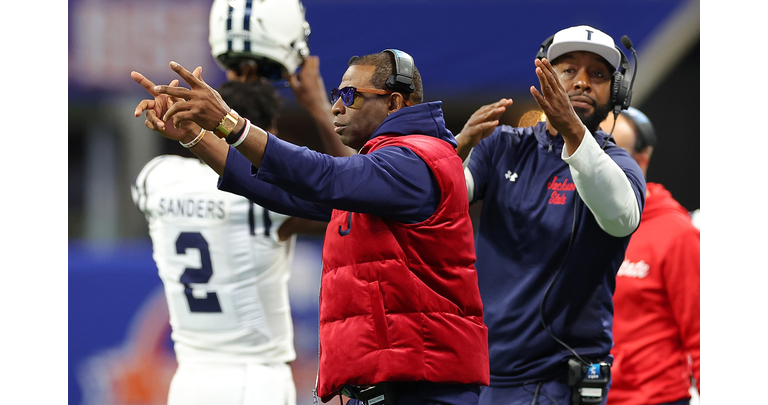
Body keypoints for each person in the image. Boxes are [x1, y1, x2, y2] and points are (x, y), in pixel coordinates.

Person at [131, 49, 490, 405]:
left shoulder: (416, 158)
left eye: (349, 96)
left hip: (424, 387)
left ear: (394, 102)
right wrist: (195, 135)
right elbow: (277, 189)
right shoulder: (384, 167)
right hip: (390, 385)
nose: (337, 107)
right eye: (336, 96)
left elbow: (324, 175)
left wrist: (229, 122)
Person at [456, 25, 646, 405]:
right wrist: (454, 149)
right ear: (544, 78)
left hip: (560, 379)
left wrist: (573, 131)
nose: (582, 83)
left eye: (598, 75)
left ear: (618, 92)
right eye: (569, 70)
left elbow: (620, 217)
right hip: (481, 372)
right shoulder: (502, 146)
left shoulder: (619, 164)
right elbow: (438, 204)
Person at [131, 80, 321, 405]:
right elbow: (339, 196)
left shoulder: (157, 177)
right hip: (255, 380)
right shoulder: (266, 200)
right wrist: (316, 108)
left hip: (188, 380)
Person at [598, 108, 700, 405]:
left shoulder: (676, 233)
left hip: (655, 399)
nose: (597, 162)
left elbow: (703, 334)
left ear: (641, 160)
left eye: (611, 149)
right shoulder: (575, 224)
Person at [208, 0, 353, 158]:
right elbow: (356, 181)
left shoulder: (166, 169)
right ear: (273, 131)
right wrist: (320, 107)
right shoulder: (289, 180)